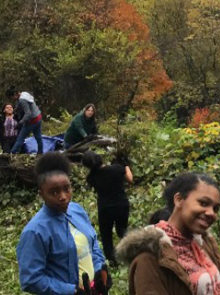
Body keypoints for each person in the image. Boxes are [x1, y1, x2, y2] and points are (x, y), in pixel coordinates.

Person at [116, 172, 220, 295]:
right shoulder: (150, 255)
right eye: (203, 203)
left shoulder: (204, 243)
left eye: (215, 208)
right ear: (179, 199)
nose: (211, 213)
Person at [16, 152, 111, 294]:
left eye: (66, 189)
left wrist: (100, 271)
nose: (63, 197)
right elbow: (31, 279)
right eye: (54, 192)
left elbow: (93, 245)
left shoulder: (77, 211)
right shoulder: (35, 232)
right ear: (41, 194)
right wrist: (70, 291)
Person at [82, 151, 133, 266]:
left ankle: (112, 261)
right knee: (122, 230)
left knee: (106, 235)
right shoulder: (116, 168)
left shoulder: (91, 178)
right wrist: (126, 166)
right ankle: (131, 253)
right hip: (121, 205)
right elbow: (130, 179)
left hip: (105, 209)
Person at [6, 87, 43, 154]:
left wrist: (20, 123)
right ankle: (40, 153)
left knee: (20, 138)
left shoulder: (22, 100)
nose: (12, 99)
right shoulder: (24, 93)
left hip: (32, 121)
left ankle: (12, 153)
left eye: (11, 97)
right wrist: (15, 110)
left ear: (15, 94)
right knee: (38, 137)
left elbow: (28, 113)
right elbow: (22, 105)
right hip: (38, 117)